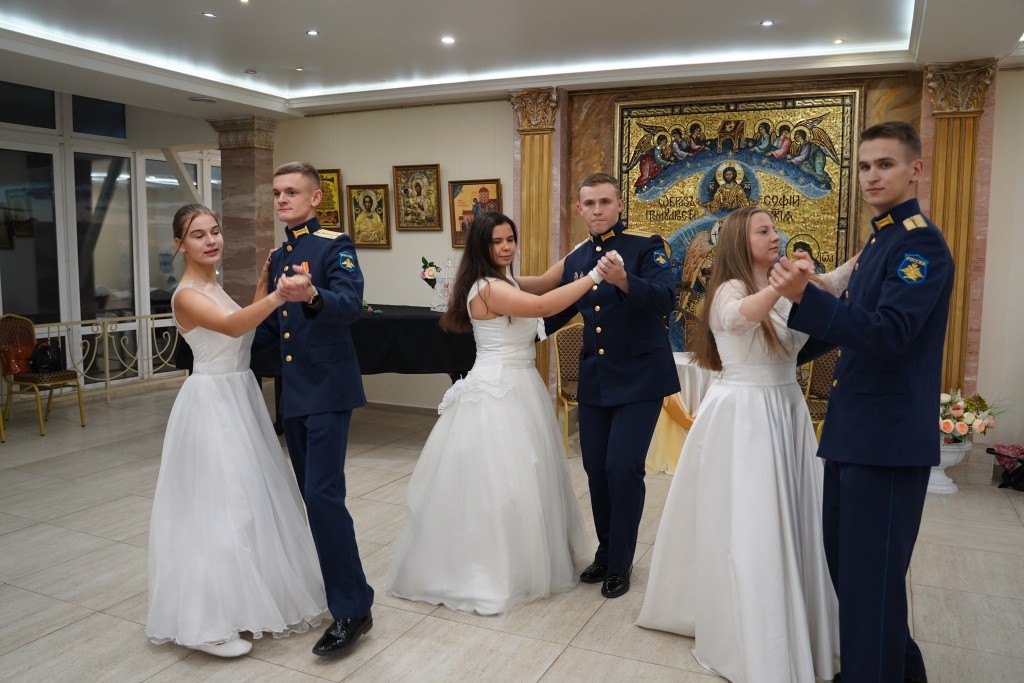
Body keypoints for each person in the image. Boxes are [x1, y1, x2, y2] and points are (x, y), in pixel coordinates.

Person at [769, 121, 954, 683]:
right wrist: (780, 352)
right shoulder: (881, 240)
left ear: (915, 169)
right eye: (865, 166)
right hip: (856, 431)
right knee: (856, 575)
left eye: (886, 164)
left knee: (869, 579)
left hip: (887, 440)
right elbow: (852, 322)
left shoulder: (919, 243)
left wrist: (805, 298)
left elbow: (890, 332)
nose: (872, 176)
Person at [637, 206, 854, 682]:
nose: (775, 235)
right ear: (740, 240)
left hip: (786, 408)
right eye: (764, 231)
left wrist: (866, 255)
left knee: (790, 514)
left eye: (775, 228)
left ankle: (793, 615)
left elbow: (835, 282)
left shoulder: (784, 281)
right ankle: (751, 626)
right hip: (745, 413)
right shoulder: (729, 288)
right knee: (752, 520)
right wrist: (784, 287)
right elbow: (736, 318)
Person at [388, 211, 610, 614]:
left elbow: (547, 280)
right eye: (497, 241)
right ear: (481, 246)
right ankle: (491, 570)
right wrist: (595, 275)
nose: (506, 247)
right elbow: (543, 302)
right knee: (502, 482)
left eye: (510, 239)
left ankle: (524, 560)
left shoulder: (506, 280)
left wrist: (584, 249)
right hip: (497, 389)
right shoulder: (487, 288)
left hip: (521, 385)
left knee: (529, 476)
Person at [147, 204, 327, 657]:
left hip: (238, 395)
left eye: (215, 231)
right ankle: (207, 624)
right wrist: (279, 295)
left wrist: (262, 287)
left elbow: (242, 329)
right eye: (198, 235)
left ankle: (244, 603)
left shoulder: (213, 285)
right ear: (179, 244)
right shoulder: (186, 295)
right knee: (220, 507)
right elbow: (230, 327)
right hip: (211, 403)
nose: (211, 241)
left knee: (247, 501)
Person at [254, 161, 374, 658]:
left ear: (315, 198)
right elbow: (271, 327)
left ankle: (352, 609)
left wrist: (313, 295)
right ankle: (349, 594)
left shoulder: (333, 245)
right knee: (312, 497)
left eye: (291, 192)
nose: (282, 200)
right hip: (295, 394)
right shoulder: (279, 254)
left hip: (327, 390)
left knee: (323, 497)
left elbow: (350, 304)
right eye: (276, 193)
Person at [545, 172, 679, 599]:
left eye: (605, 201)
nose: (598, 210)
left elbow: (666, 298)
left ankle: (620, 563)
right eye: (590, 203)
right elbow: (555, 309)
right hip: (596, 379)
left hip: (640, 377)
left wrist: (623, 280)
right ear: (579, 209)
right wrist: (508, 326)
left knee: (623, 468)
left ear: (620, 204)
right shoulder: (579, 257)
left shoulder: (646, 246)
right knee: (596, 470)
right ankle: (605, 552)